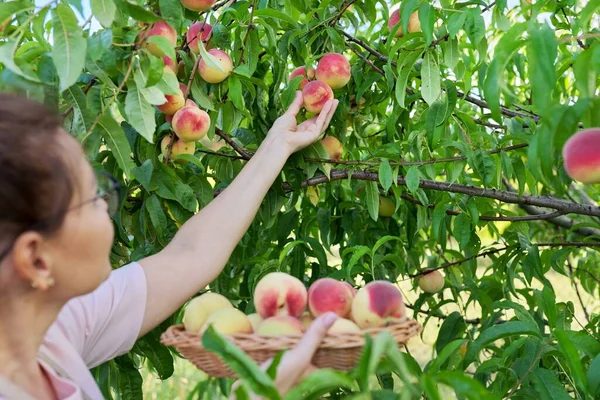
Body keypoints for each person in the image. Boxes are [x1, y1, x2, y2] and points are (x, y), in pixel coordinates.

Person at [0, 91, 339, 399]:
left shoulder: (48, 326)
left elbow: (192, 254)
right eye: (92, 197)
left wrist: (276, 146)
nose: (106, 206)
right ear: (37, 260)